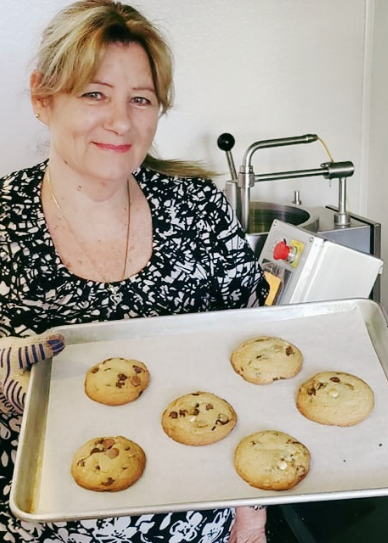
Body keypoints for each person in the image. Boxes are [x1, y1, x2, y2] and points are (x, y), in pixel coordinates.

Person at [0, 1, 269, 541]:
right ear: (42, 97)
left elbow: (249, 366)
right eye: (93, 93)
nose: (120, 121)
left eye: (140, 99)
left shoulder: (199, 210)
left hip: (198, 525)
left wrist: (250, 520)